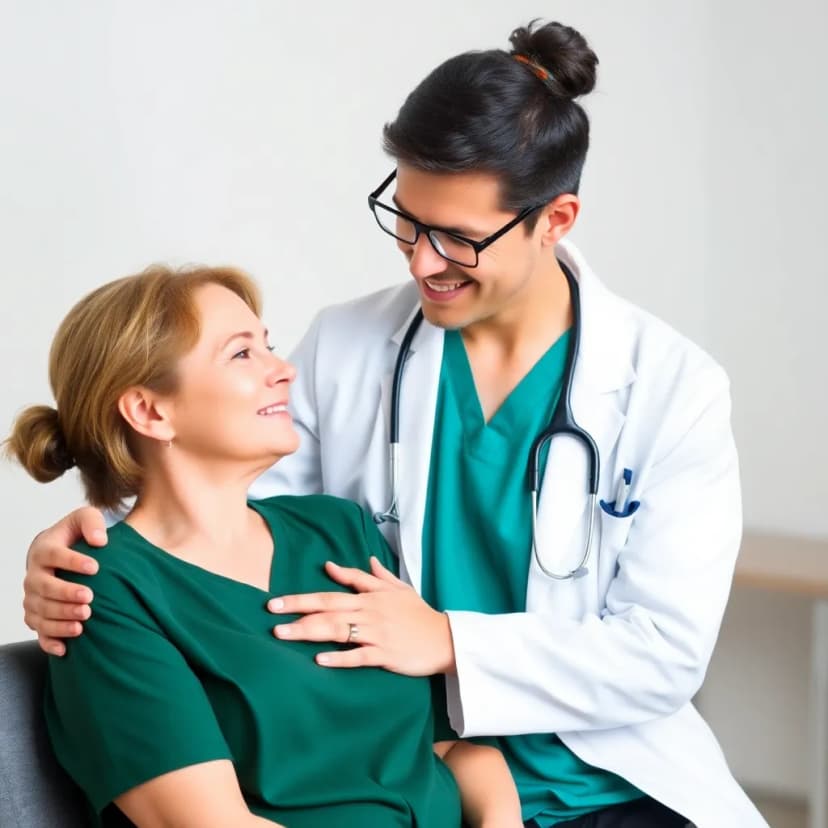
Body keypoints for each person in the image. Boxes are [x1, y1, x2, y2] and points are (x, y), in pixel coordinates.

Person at [21, 19, 768, 828]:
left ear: (555, 220)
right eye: (406, 219)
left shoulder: (670, 387)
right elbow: (213, 509)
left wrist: (448, 640)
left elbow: (663, 654)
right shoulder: (350, 347)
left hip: (601, 785)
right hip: (416, 761)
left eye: (457, 238)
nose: (420, 262)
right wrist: (90, 543)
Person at [6, 265, 523, 827]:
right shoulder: (105, 593)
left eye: (269, 346)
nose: (284, 371)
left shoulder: (338, 531)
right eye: (241, 354)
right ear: (150, 411)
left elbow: (454, 749)